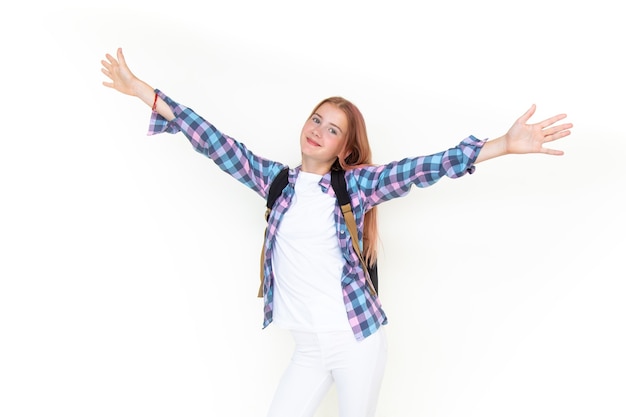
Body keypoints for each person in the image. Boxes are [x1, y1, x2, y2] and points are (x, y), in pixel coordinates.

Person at [100, 47, 572, 417]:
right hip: (308, 347)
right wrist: (144, 91)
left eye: (332, 130)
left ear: (345, 149)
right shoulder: (276, 182)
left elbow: (421, 169)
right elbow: (212, 140)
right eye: (316, 119)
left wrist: (503, 145)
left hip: (356, 342)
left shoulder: (355, 185)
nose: (317, 131)